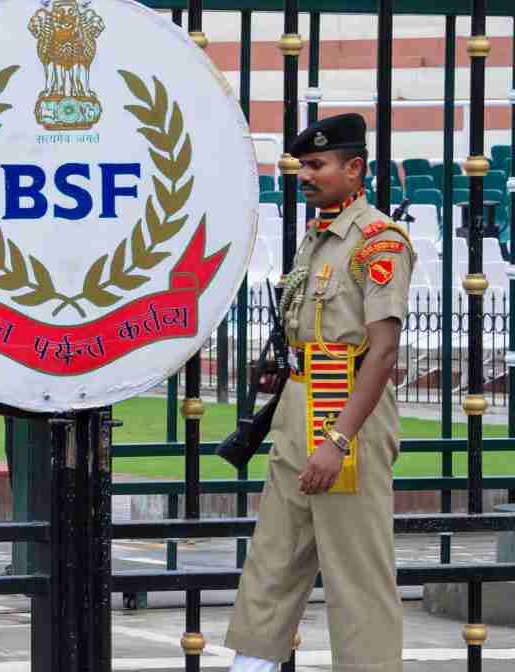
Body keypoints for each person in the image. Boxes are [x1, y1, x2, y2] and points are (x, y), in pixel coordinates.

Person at [223, 113, 416, 672]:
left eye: (317, 165)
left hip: (348, 413)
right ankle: (249, 666)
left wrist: (338, 439)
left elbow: (381, 353)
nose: (304, 175)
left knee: (355, 571)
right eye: (302, 165)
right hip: (298, 405)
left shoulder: (379, 242)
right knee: (273, 560)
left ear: (354, 169)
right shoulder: (319, 234)